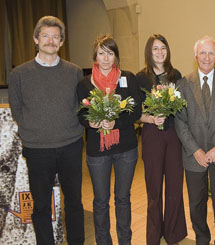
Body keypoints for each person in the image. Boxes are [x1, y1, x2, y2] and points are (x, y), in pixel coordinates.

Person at [8, 16, 85, 244]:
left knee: (74, 202)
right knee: (40, 205)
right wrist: (34, 131)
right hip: (37, 149)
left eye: (55, 37)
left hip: (70, 146)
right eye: (45, 36)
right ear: (35, 39)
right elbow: (17, 110)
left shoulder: (74, 72)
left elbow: (80, 106)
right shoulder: (19, 74)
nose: (50, 41)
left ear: (61, 42)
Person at [174, 36, 215, 245]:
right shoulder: (183, 84)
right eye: (203, 52)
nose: (207, 57)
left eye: (211, 53)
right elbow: (180, 122)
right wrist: (196, 150)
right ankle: (202, 239)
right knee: (196, 203)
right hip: (195, 156)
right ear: (196, 56)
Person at [77, 34, 142, 245]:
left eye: (110, 53)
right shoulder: (85, 84)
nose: (106, 58)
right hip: (98, 150)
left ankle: (125, 241)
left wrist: (116, 123)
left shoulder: (128, 78)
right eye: (101, 53)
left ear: (116, 56)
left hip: (126, 148)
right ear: (95, 55)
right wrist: (91, 123)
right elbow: (80, 114)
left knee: (123, 199)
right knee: (101, 201)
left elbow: (135, 112)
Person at [136, 34, 187, 245]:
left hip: (175, 135)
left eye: (163, 48)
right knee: (154, 188)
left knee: (175, 187)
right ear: (149, 52)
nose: (160, 52)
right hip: (152, 135)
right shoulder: (141, 77)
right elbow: (132, 113)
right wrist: (149, 118)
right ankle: (154, 235)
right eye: (155, 48)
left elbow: (183, 107)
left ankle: (174, 233)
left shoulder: (176, 75)